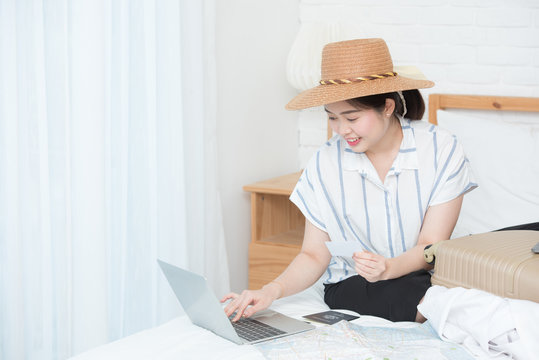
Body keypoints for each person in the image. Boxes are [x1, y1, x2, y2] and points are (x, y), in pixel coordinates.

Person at [221, 38, 477, 323]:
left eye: (352, 118)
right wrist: (270, 291)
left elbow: (431, 245)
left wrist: (389, 268)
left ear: (388, 107)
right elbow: (313, 254)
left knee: (450, 289)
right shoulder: (325, 161)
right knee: (413, 298)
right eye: (332, 118)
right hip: (352, 285)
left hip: (423, 274)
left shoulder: (440, 148)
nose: (342, 130)